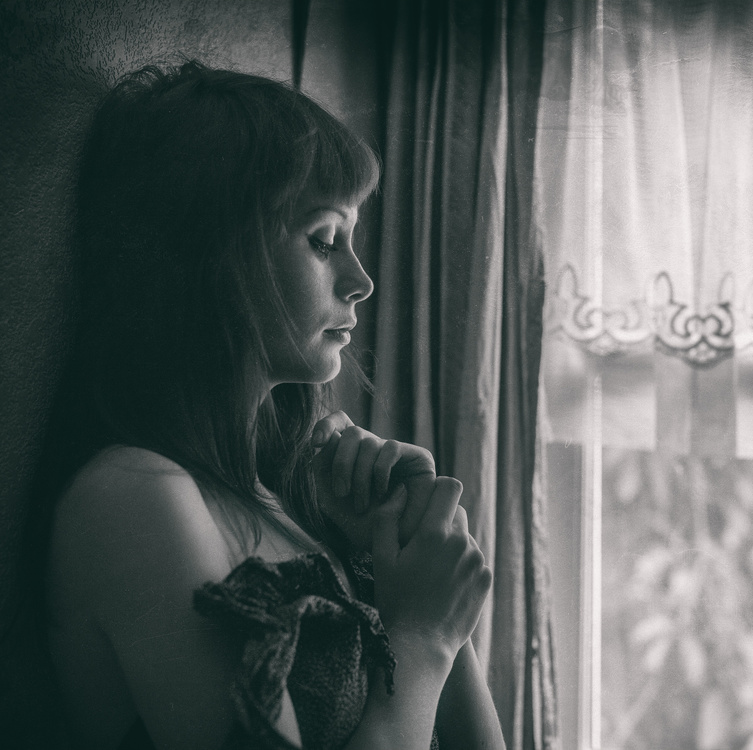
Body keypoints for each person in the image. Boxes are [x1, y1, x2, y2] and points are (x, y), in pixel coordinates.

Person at [29, 61, 504, 750]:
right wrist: (424, 637)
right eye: (324, 240)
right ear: (215, 254)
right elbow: (417, 660)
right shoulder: (131, 498)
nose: (362, 280)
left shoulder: (281, 497)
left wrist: (398, 553)